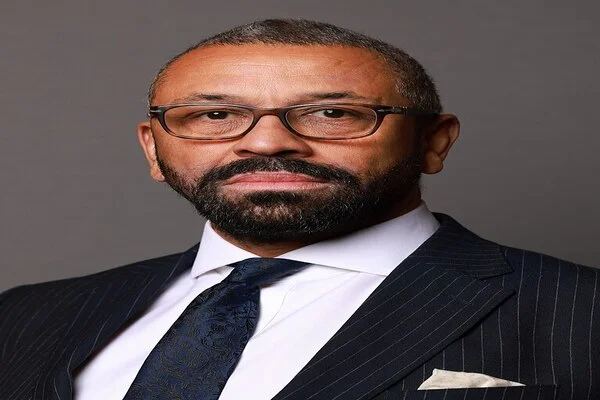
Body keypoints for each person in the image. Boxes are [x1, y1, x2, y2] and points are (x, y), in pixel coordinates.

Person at [0, 19, 598, 400]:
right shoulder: (24, 317)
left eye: (332, 113)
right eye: (215, 115)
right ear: (153, 149)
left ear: (433, 143)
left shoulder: (583, 315)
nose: (267, 143)